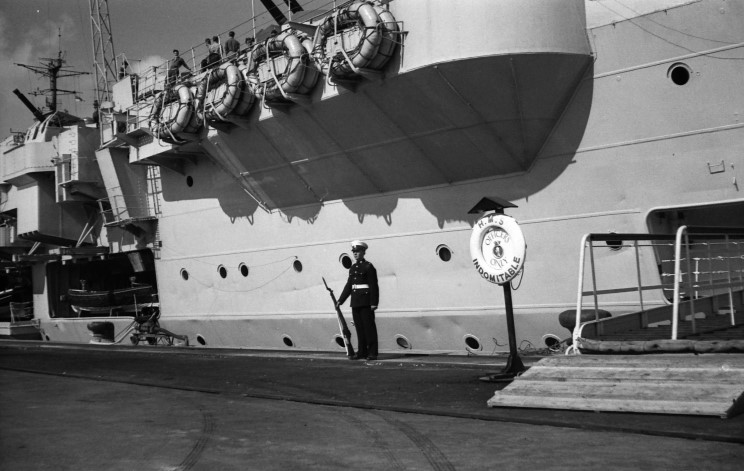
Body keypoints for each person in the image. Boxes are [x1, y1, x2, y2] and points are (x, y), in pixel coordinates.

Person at [336, 240, 379, 360]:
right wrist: (340, 300)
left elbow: (374, 286)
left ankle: (372, 353)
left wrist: (374, 303)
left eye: (357, 251)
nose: (355, 254)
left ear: (363, 252)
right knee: (359, 328)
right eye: (354, 252)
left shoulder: (368, 267)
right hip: (355, 302)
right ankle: (362, 352)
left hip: (366, 302)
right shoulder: (353, 268)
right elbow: (349, 286)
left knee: (369, 328)